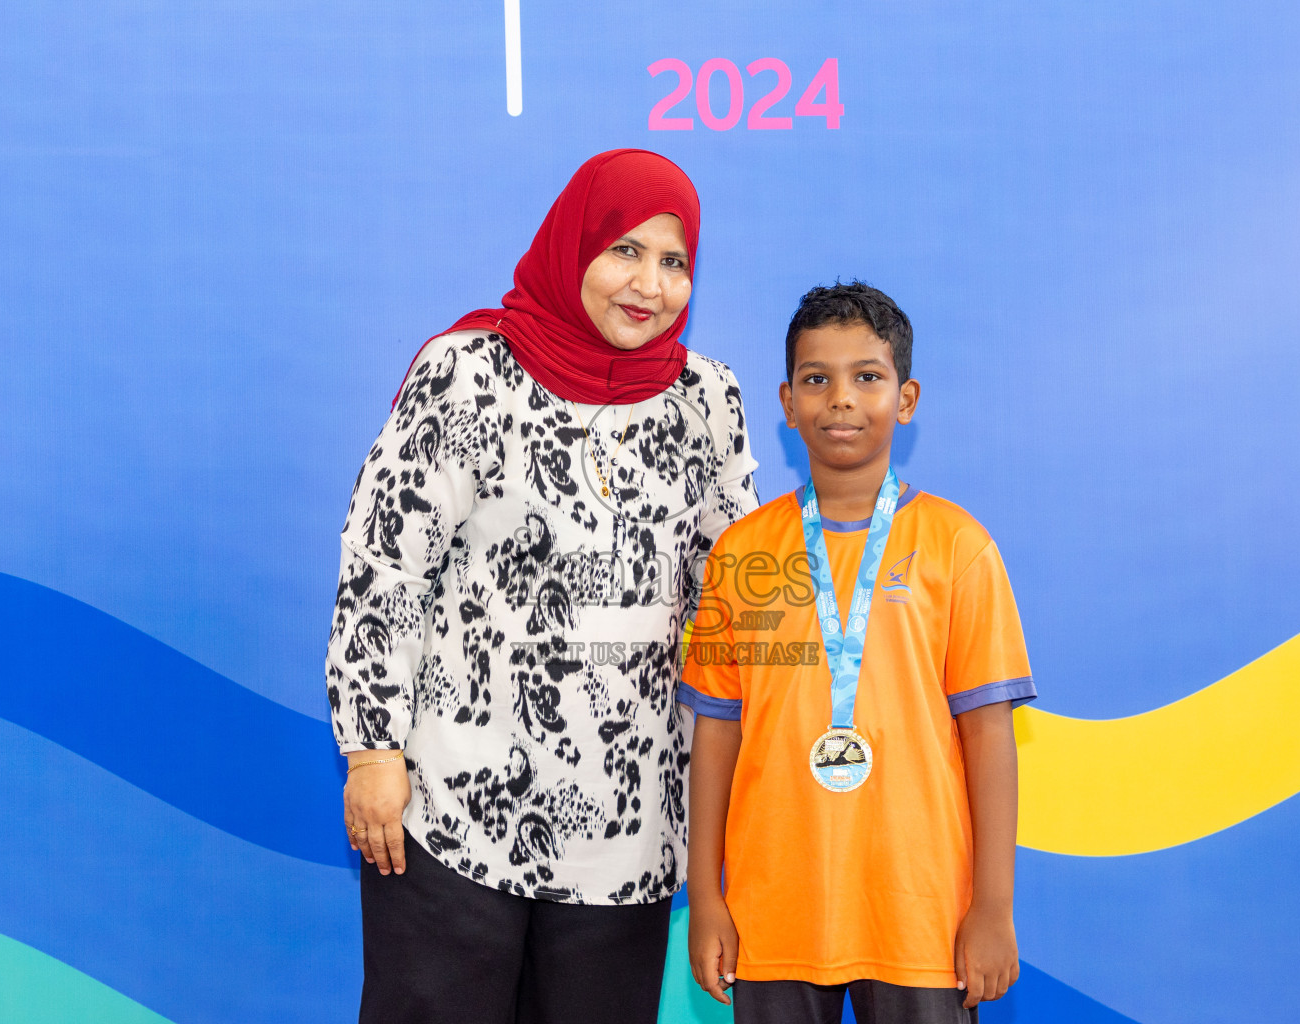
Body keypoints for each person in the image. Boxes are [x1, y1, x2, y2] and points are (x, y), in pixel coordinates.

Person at [326, 149, 759, 1024]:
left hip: (629, 827)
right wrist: (374, 751)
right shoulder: (470, 374)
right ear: (575, 249)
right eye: (624, 251)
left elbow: (735, 593)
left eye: (674, 262)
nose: (649, 284)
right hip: (451, 810)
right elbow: (387, 563)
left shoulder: (706, 400)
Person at [680, 282, 1035, 1024]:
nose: (841, 399)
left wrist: (992, 907)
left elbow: (989, 737)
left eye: (866, 377)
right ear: (787, 403)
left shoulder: (958, 548)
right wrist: (707, 896)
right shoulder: (743, 554)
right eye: (818, 379)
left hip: (920, 914)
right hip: (774, 912)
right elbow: (717, 733)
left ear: (905, 399)